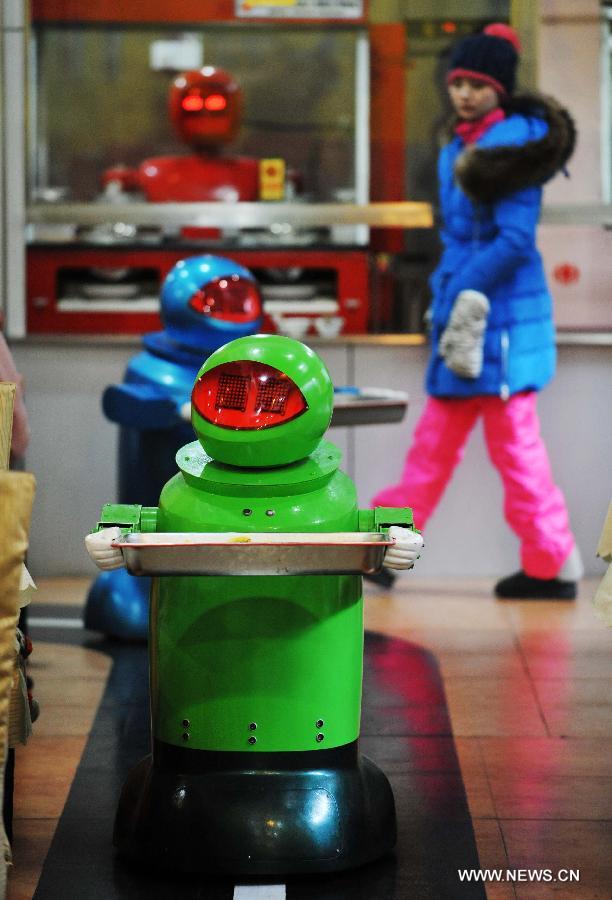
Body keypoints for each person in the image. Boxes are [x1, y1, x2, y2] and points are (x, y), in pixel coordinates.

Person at [371, 23, 583, 599]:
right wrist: (450, 296)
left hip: (504, 326)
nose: (463, 93)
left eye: (477, 84)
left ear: (500, 89)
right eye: (457, 82)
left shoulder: (514, 148)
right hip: (467, 323)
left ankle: (550, 566)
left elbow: (514, 240)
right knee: (434, 449)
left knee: (515, 454)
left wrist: (458, 288)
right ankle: (385, 550)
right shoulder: (458, 148)